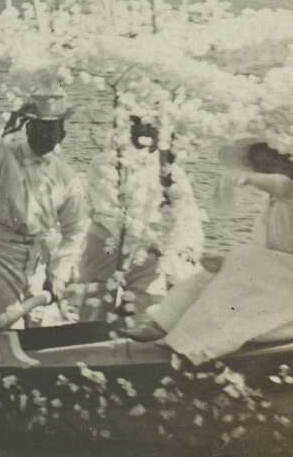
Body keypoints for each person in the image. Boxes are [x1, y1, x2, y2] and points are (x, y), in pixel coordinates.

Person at [128, 139, 293, 363]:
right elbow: (262, 249)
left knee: (246, 261)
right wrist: (225, 261)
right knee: (215, 273)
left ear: (291, 165)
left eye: (269, 166)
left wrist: (248, 179)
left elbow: (289, 189)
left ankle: (191, 341)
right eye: (258, 166)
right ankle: (163, 321)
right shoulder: (274, 205)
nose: (262, 171)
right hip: (291, 282)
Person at [0, 92, 86, 359]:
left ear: (63, 135)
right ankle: (6, 374)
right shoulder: (2, 155)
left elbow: (76, 229)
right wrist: (7, 129)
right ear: (28, 127)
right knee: (7, 326)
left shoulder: (66, 176)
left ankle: (34, 376)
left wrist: (59, 272)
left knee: (37, 321)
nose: (47, 136)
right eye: (41, 128)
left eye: (54, 130)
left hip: (34, 256)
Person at [76, 116, 204, 320]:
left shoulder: (172, 172)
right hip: (107, 247)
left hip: (149, 254)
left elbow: (188, 215)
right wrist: (153, 239)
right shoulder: (105, 163)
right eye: (140, 125)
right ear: (131, 127)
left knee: (148, 308)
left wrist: (185, 246)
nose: (146, 131)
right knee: (96, 301)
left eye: (153, 127)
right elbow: (108, 213)